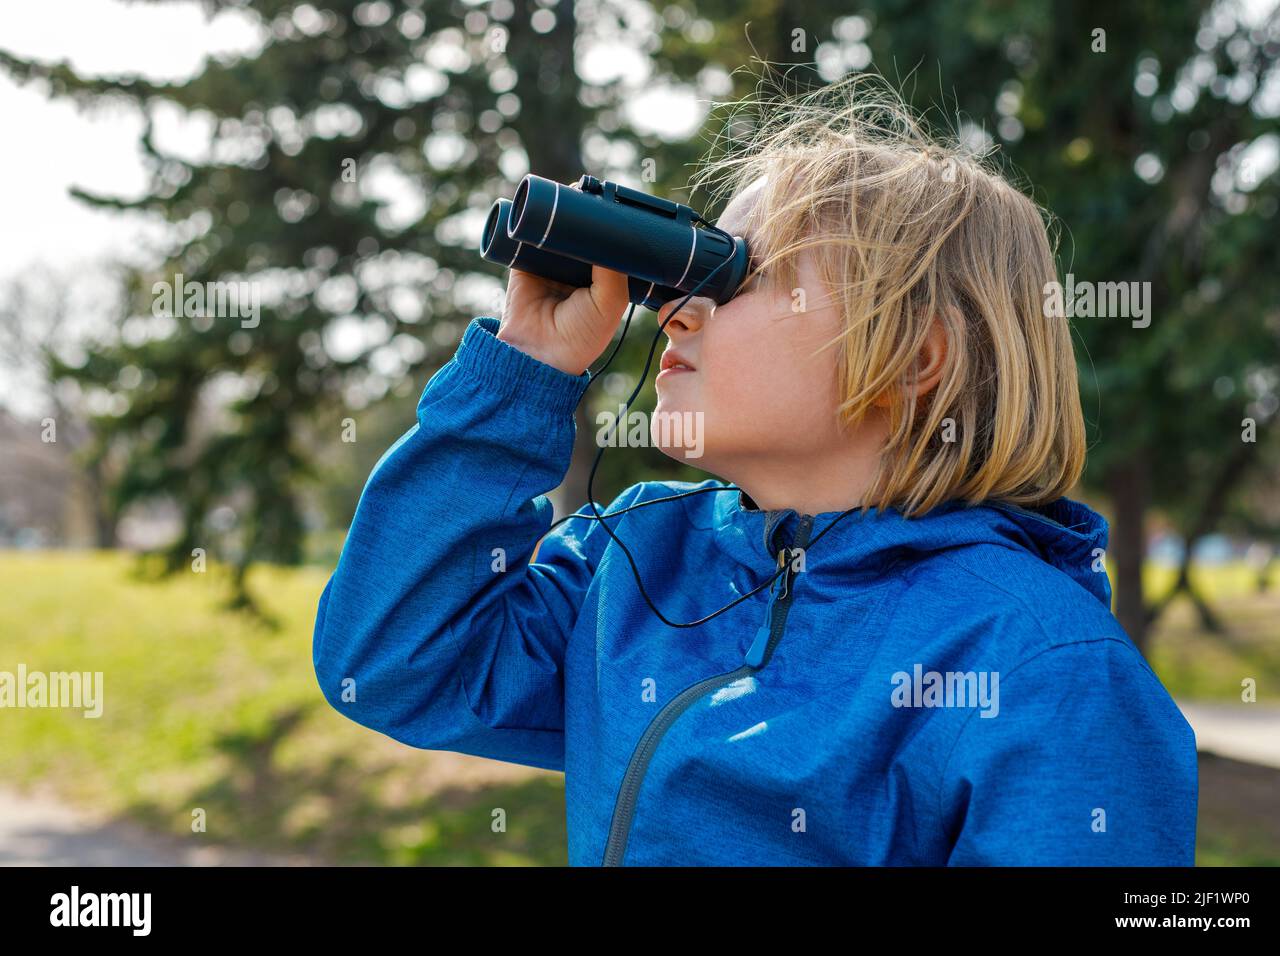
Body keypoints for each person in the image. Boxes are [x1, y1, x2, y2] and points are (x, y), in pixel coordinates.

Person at [312, 75, 1198, 866]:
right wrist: (527, 370)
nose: (678, 313)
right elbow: (392, 663)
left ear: (915, 358)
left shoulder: (1042, 670)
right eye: (687, 273)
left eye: (739, 276)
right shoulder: (635, 564)